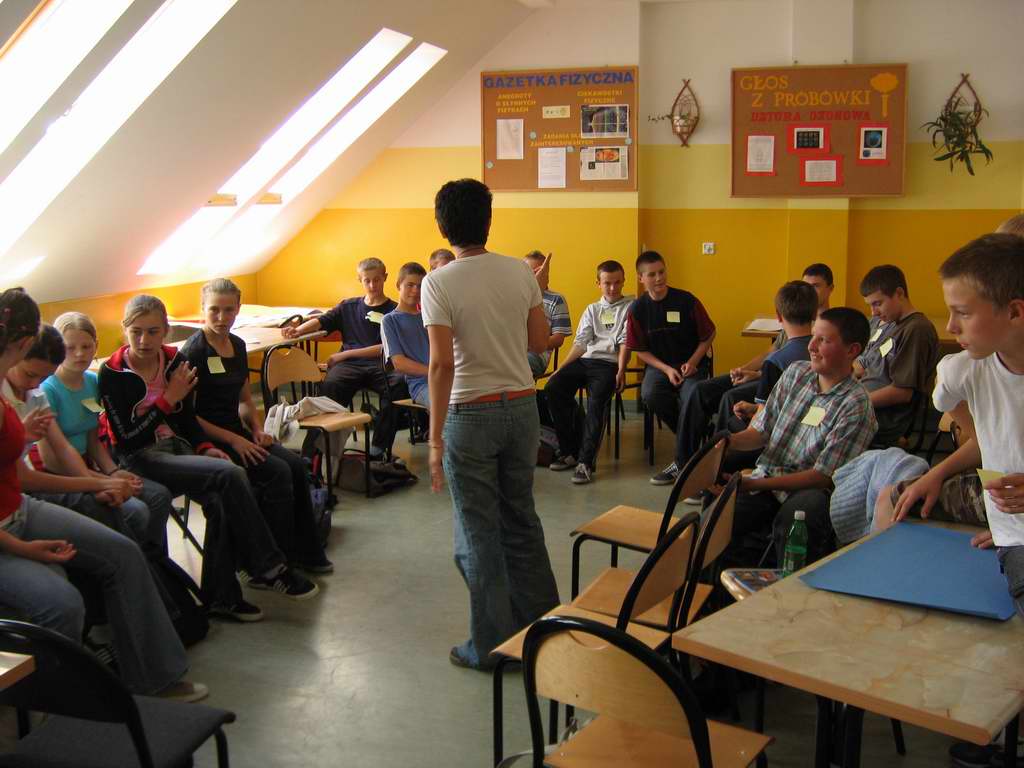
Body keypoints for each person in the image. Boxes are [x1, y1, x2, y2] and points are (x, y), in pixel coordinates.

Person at [0, 288, 205, 701]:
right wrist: (22, 547)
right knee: (63, 603)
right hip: (8, 528)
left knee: (124, 552)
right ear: (22, 344)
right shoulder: (24, 385)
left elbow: (20, 475)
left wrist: (104, 479)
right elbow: (36, 471)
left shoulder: (17, 389)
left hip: (19, 509)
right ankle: (68, 711)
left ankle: (154, 676)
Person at [884, 233, 1024, 768]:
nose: (950, 328)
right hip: (1013, 531)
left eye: (962, 313)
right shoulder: (964, 369)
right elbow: (987, 433)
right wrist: (938, 473)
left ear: (1014, 311)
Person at [99, 294, 318, 622]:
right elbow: (129, 440)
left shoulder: (173, 360)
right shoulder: (112, 373)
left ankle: (222, 598)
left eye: (153, 332)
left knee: (220, 499)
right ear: (124, 329)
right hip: (140, 457)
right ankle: (270, 566)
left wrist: (204, 448)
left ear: (165, 331)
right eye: (136, 331)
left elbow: (187, 418)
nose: (144, 340)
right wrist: (167, 398)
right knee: (231, 475)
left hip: (179, 449)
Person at [421, 178, 559, 671]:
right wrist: (535, 290)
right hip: (522, 408)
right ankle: (543, 632)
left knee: (478, 531)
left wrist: (434, 440)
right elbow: (540, 342)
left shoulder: (438, 282)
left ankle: (490, 648)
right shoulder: (520, 272)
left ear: (442, 227)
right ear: (489, 220)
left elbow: (441, 364)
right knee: (521, 520)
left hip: (470, 415)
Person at [180, 279, 332, 574]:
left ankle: (305, 550)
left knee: (295, 466)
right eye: (214, 310)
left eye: (228, 310)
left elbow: (245, 399)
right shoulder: (194, 352)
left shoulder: (237, 345)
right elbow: (189, 417)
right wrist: (235, 440)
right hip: (210, 440)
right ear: (202, 310)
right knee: (276, 472)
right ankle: (272, 560)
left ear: (238, 309)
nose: (222, 317)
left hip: (239, 433)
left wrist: (257, 429)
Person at [721, 308, 877, 567]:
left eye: (823, 340)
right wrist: (727, 443)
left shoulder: (856, 405)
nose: (811, 346)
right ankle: (713, 583)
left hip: (808, 491)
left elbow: (822, 477)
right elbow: (760, 431)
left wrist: (756, 484)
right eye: (813, 336)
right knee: (718, 517)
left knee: (797, 519)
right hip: (769, 477)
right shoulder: (796, 373)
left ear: (852, 350)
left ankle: (787, 581)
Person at [6, 318, 172, 554]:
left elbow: (91, 441)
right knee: (133, 512)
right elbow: (52, 461)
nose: (79, 354)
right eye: (70, 348)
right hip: (53, 475)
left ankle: (153, 560)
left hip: (82, 468)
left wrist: (111, 473)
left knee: (157, 497)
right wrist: (100, 482)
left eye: (86, 347)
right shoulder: (47, 388)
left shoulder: (88, 383)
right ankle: (142, 559)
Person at [282, 258, 406, 462]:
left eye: (377, 280)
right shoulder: (348, 307)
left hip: (380, 364)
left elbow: (386, 347)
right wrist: (298, 330)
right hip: (349, 367)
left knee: (399, 384)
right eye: (367, 280)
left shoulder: (394, 310)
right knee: (330, 386)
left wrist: (345, 354)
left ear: (385, 278)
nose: (372, 285)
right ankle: (311, 454)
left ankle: (379, 447)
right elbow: (322, 320)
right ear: (360, 280)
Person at [625, 250, 716, 486]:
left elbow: (709, 334)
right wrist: (666, 369)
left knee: (692, 396)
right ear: (641, 278)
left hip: (692, 365)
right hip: (660, 367)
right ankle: (696, 437)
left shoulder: (687, 301)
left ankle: (683, 460)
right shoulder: (637, 309)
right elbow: (640, 350)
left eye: (662, 272)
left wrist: (693, 362)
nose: (659, 278)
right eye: (652, 274)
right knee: (650, 394)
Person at [543, 259, 633, 485]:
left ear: (623, 281)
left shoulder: (631, 307)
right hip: (585, 361)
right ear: (598, 283)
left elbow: (626, 342)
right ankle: (569, 451)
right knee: (553, 387)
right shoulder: (593, 309)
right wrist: (560, 369)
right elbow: (581, 343)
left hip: (609, 364)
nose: (612, 288)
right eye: (607, 283)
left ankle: (585, 462)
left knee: (596, 403)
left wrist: (622, 369)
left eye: (617, 282)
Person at [715, 263, 834, 428]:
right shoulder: (824, 350)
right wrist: (747, 371)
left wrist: (736, 438)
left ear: (778, 317)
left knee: (731, 414)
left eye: (815, 286)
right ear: (814, 314)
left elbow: (759, 426)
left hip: (781, 427)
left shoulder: (776, 362)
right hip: (803, 418)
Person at [855, 265, 939, 445]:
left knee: (825, 423)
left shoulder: (916, 329)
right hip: (866, 405)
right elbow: (865, 365)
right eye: (870, 305)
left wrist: (854, 402)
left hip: (885, 417)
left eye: (878, 303)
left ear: (899, 293)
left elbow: (902, 392)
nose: (873, 312)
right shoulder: (891, 323)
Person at [381, 262, 430, 407]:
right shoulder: (389, 320)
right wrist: (435, 373)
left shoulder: (430, 316)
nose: (416, 290)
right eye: (410, 285)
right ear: (398, 285)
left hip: (449, 380)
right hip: (421, 385)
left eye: (420, 286)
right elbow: (399, 363)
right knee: (448, 405)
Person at [523, 250, 571, 378]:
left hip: (536, 356)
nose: (534, 277)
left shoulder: (556, 299)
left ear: (546, 274)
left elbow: (558, 339)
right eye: (528, 273)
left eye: (538, 272)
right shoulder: (518, 296)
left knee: (516, 367)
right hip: (512, 352)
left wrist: (531, 345)